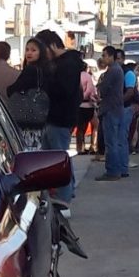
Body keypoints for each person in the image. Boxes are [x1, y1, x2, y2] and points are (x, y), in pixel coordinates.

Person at [35, 29, 85, 208]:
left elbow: (64, 91)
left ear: (51, 46)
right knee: (55, 160)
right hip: (55, 118)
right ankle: (64, 194)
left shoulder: (67, 65)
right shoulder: (63, 63)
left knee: (58, 162)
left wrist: (46, 81)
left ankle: (63, 201)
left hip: (60, 119)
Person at [7, 38, 50, 150]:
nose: (29, 53)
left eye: (33, 50)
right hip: (39, 120)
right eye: (27, 50)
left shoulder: (30, 70)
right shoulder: (45, 70)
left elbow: (13, 89)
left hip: (26, 121)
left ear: (41, 52)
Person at [95, 46, 127, 181]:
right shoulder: (116, 70)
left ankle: (112, 171)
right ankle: (118, 169)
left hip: (110, 109)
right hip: (115, 109)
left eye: (104, 55)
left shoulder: (113, 71)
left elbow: (103, 88)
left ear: (111, 56)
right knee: (115, 141)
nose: (103, 58)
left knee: (111, 142)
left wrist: (99, 89)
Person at [76, 63, 98, 155]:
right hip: (88, 105)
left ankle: (80, 147)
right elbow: (90, 90)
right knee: (95, 125)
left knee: (80, 128)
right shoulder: (88, 76)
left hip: (78, 105)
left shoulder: (75, 76)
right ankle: (93, 146)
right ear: (86, 68)